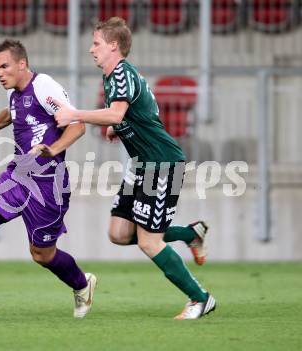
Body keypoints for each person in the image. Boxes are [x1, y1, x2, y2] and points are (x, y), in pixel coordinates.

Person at [54, 17, 215, 320]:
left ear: (113, 46)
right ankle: (190, 233)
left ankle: (200, 299)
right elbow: (144, 112)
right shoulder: (116, 76)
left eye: (96, 43)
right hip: (141, 166)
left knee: (148, 241)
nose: (91, 50)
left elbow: (116, 113)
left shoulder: (122, 74)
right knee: (118, 232)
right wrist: (121, 125)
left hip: (161, 165)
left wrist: (78, 114)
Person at [0, 39, 97, 319]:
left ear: (22, 64)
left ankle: (83, 284)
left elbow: (78, 126)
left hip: (48, 184)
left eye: (4, 66)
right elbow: (9, 115)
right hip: (18, 176)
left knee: (42, 254)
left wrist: (52, 149)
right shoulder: (15, 93)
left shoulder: (44, 86)